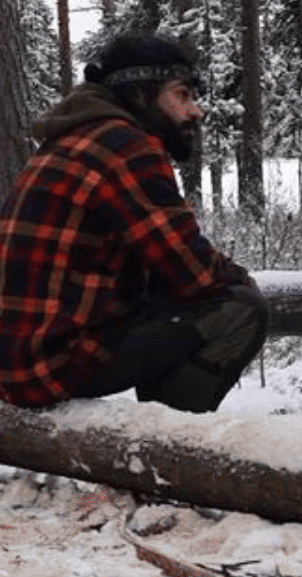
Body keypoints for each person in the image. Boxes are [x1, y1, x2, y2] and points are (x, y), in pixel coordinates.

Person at [0, 33, 267, 412]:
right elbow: (196, 272)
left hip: (18, 361)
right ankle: (170, 450)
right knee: (243, 308)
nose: (197, 111)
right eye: (182, 95)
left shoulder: (74, 139)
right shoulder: (125, 146)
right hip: (46, 368)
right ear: (140, 95)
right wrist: (241, 278)